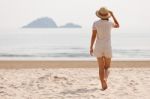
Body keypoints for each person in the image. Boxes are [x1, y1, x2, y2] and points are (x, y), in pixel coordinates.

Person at [90, 7, 119, 90]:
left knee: (101, 67)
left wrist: (91, 47)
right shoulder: (110, 23)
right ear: (107, 15)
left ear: (99, 15)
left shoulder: (95, 23)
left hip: (98, 47)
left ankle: (102, 83)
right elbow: (118, 25)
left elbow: (93, 36)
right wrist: (113, 15)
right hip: (107, 47)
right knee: (107, 67)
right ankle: (105, 79)